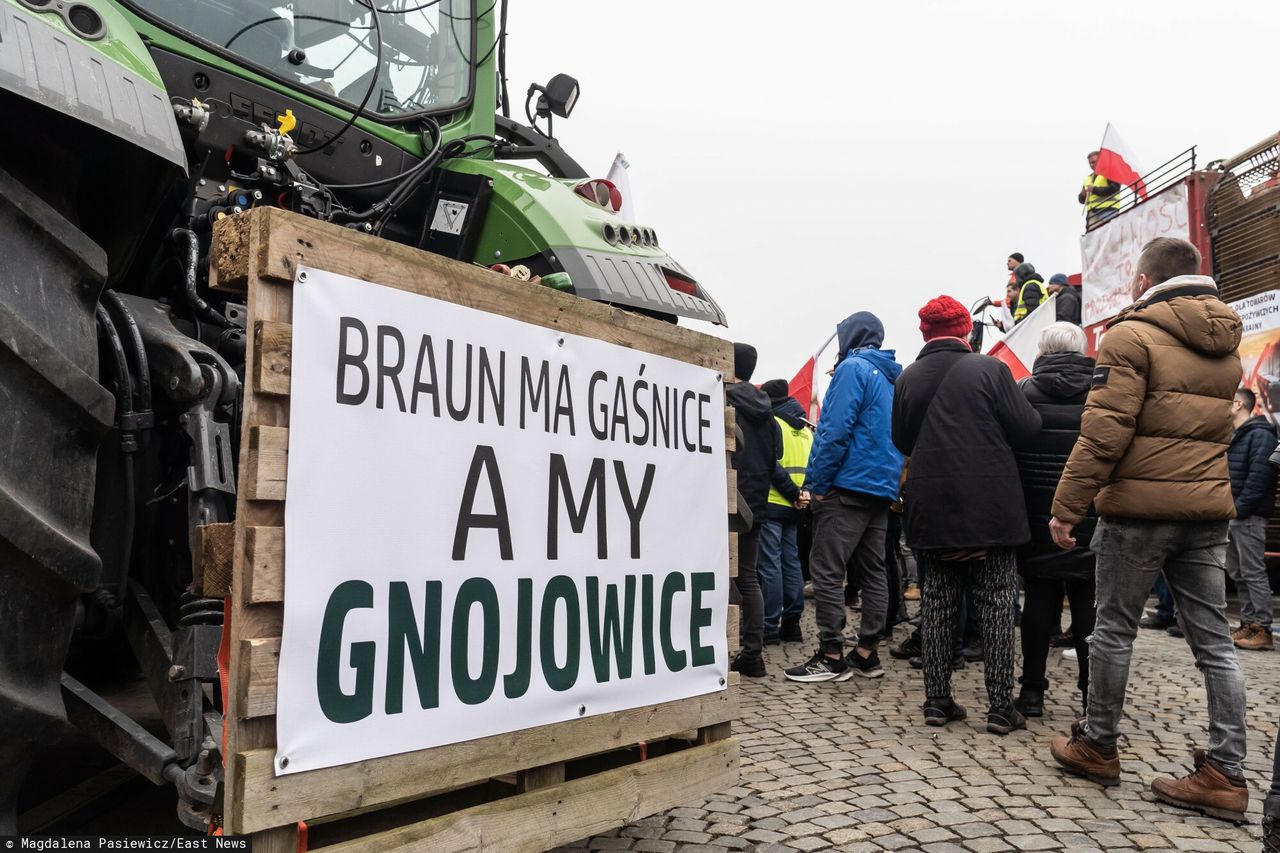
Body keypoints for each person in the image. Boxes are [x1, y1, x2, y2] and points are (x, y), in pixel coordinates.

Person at [1047, 237, 1249, 823]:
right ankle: (1226, 773)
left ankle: (1099, 745)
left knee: (1113, 629)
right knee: (1213, 640)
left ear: (1143, 281)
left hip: (1136, 510)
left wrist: (1067, 506)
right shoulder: (1226, 346)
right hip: (1206, 512)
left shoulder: (1129, 336)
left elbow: (1105, 433)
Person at [892, 296, 1041, 734]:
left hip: (931, 507)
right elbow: (1028, 428)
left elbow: (901, 440)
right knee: (996, 604)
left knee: (937, 603)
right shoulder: (992, 370)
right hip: (990, 508)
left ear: (924, 334)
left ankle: (937, 701)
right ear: (966, 332)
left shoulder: (908, 378)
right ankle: (999, 707)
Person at [785, 312, 903, 683]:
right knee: (874, 572)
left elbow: (833, 431)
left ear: (850, 336)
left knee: (827, 569)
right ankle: (867, 652)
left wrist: (817, 482)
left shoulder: (852, 369)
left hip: (846, 484)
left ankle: (831, 654)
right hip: (880, 487)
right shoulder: (891, 378)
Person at [1012, 322, 1097, 718]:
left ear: (1042, 351)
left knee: (1039, 600)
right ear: (1081, 351)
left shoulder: (1024, 391)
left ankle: (1031, 693)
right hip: (1090, 512)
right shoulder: (1103, 391)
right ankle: (1091, 695)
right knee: (1087, 603)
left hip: (1036, 513)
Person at [725, 343, 782, 678]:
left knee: (720, 575)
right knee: (748, 576)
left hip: (728, 498)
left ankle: (718, 648)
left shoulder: (724, 400)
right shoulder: (768, 411)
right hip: (757, 502)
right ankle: (753, 653)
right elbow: (773, 459)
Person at [758, 379, 814, 645]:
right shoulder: (805, 429)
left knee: (770, 564)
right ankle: (792, 624)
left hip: (774, 501)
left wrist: (792, 493)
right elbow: (813, 466)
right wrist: (803, 495)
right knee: (792, 563)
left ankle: (769, 626)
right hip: (797, 505)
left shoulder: (773, 423)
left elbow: (771, 465)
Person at [1226, 387, 1276, 651]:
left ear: (1238, 405)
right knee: (1238, 571)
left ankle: (1262, 628)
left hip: (1248, 516)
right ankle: (1248, 622)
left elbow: (1260, 478)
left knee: (1253, 572)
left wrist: (1238, 508)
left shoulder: (1260, 434)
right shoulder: (1239, 434)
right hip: (1235, 514)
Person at [1079, 150, 1122, 228]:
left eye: (1094, 162)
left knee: (1110, 235)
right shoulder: (1088, 178)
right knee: (1093, 238)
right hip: (1092, 213)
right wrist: (1082, 194)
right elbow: (1082, 200)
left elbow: (1114, 189)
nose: (1091, 165)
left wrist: (1094, 189)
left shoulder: (1110, 172)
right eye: (1090, 163)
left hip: (1108, 210)